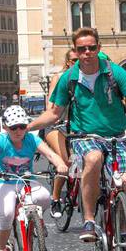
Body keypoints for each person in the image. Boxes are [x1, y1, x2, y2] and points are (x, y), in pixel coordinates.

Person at [27, 27, 126, 244]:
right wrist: (25, 127)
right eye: (82, 49)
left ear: (98, 48)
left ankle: (124, 229)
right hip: (85, 137)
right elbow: (54, 113)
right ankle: (89, 220)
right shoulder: (69, 78)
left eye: (91, 48)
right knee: (93, 158)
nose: (87, 52)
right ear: (75, 51)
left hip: (116, 137)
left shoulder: (114, 72)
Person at [0, 105, 69, 251]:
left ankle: (36, 222)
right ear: (6, 127)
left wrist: (60, 164)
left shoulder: (32, 139)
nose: (18, 131)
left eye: (22, 126)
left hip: (26, 181)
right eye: (13, 128)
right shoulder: (1, 140)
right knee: (6, 213)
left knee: (44, 197)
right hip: (4, 181)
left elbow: (50, 155)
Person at [45, 50, 77, 219]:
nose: (76, 62)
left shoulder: (86, 77)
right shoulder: (60, 77)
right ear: (67, 62)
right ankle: (55, 198)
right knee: (65, 163)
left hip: (77, 128)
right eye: (73, 60)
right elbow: (50, 106)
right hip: (57, 126)